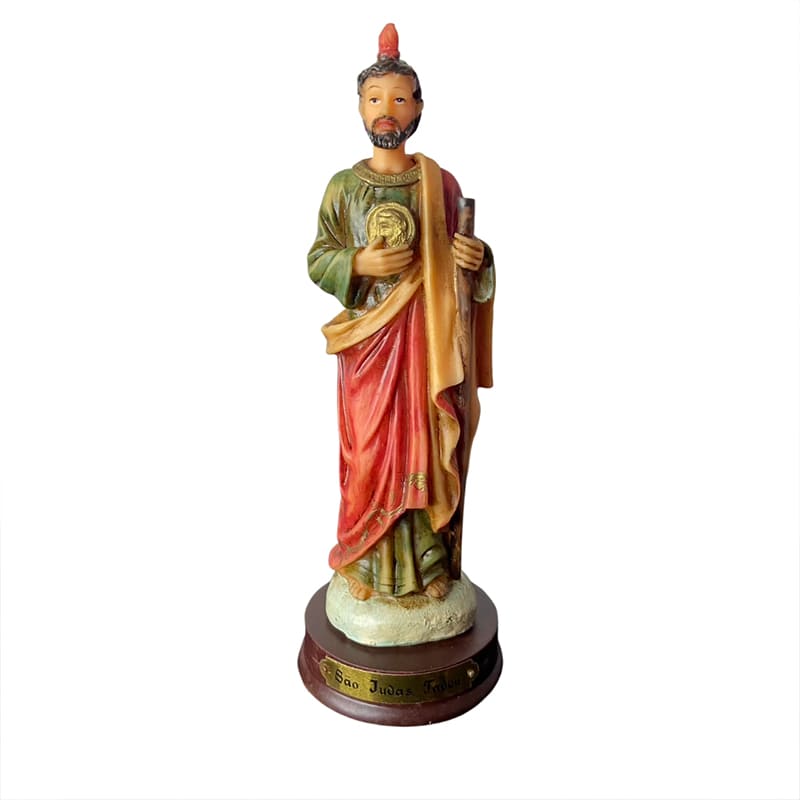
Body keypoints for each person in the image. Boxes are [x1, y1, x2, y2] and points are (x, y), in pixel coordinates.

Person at [308, 23, 495, 602]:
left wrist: (478, 259)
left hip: (425, 343)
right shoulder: (343, 187)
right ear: (359, 108)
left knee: (424, 446)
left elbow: (467, 267)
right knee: (370, 451)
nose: (386, 111)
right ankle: (363, 562)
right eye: (374, 99)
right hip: (368, 345)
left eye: (397, 99)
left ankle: (428, 562)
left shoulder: (440, 184)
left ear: (418, 107)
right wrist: (358, 262)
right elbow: (318, 258)